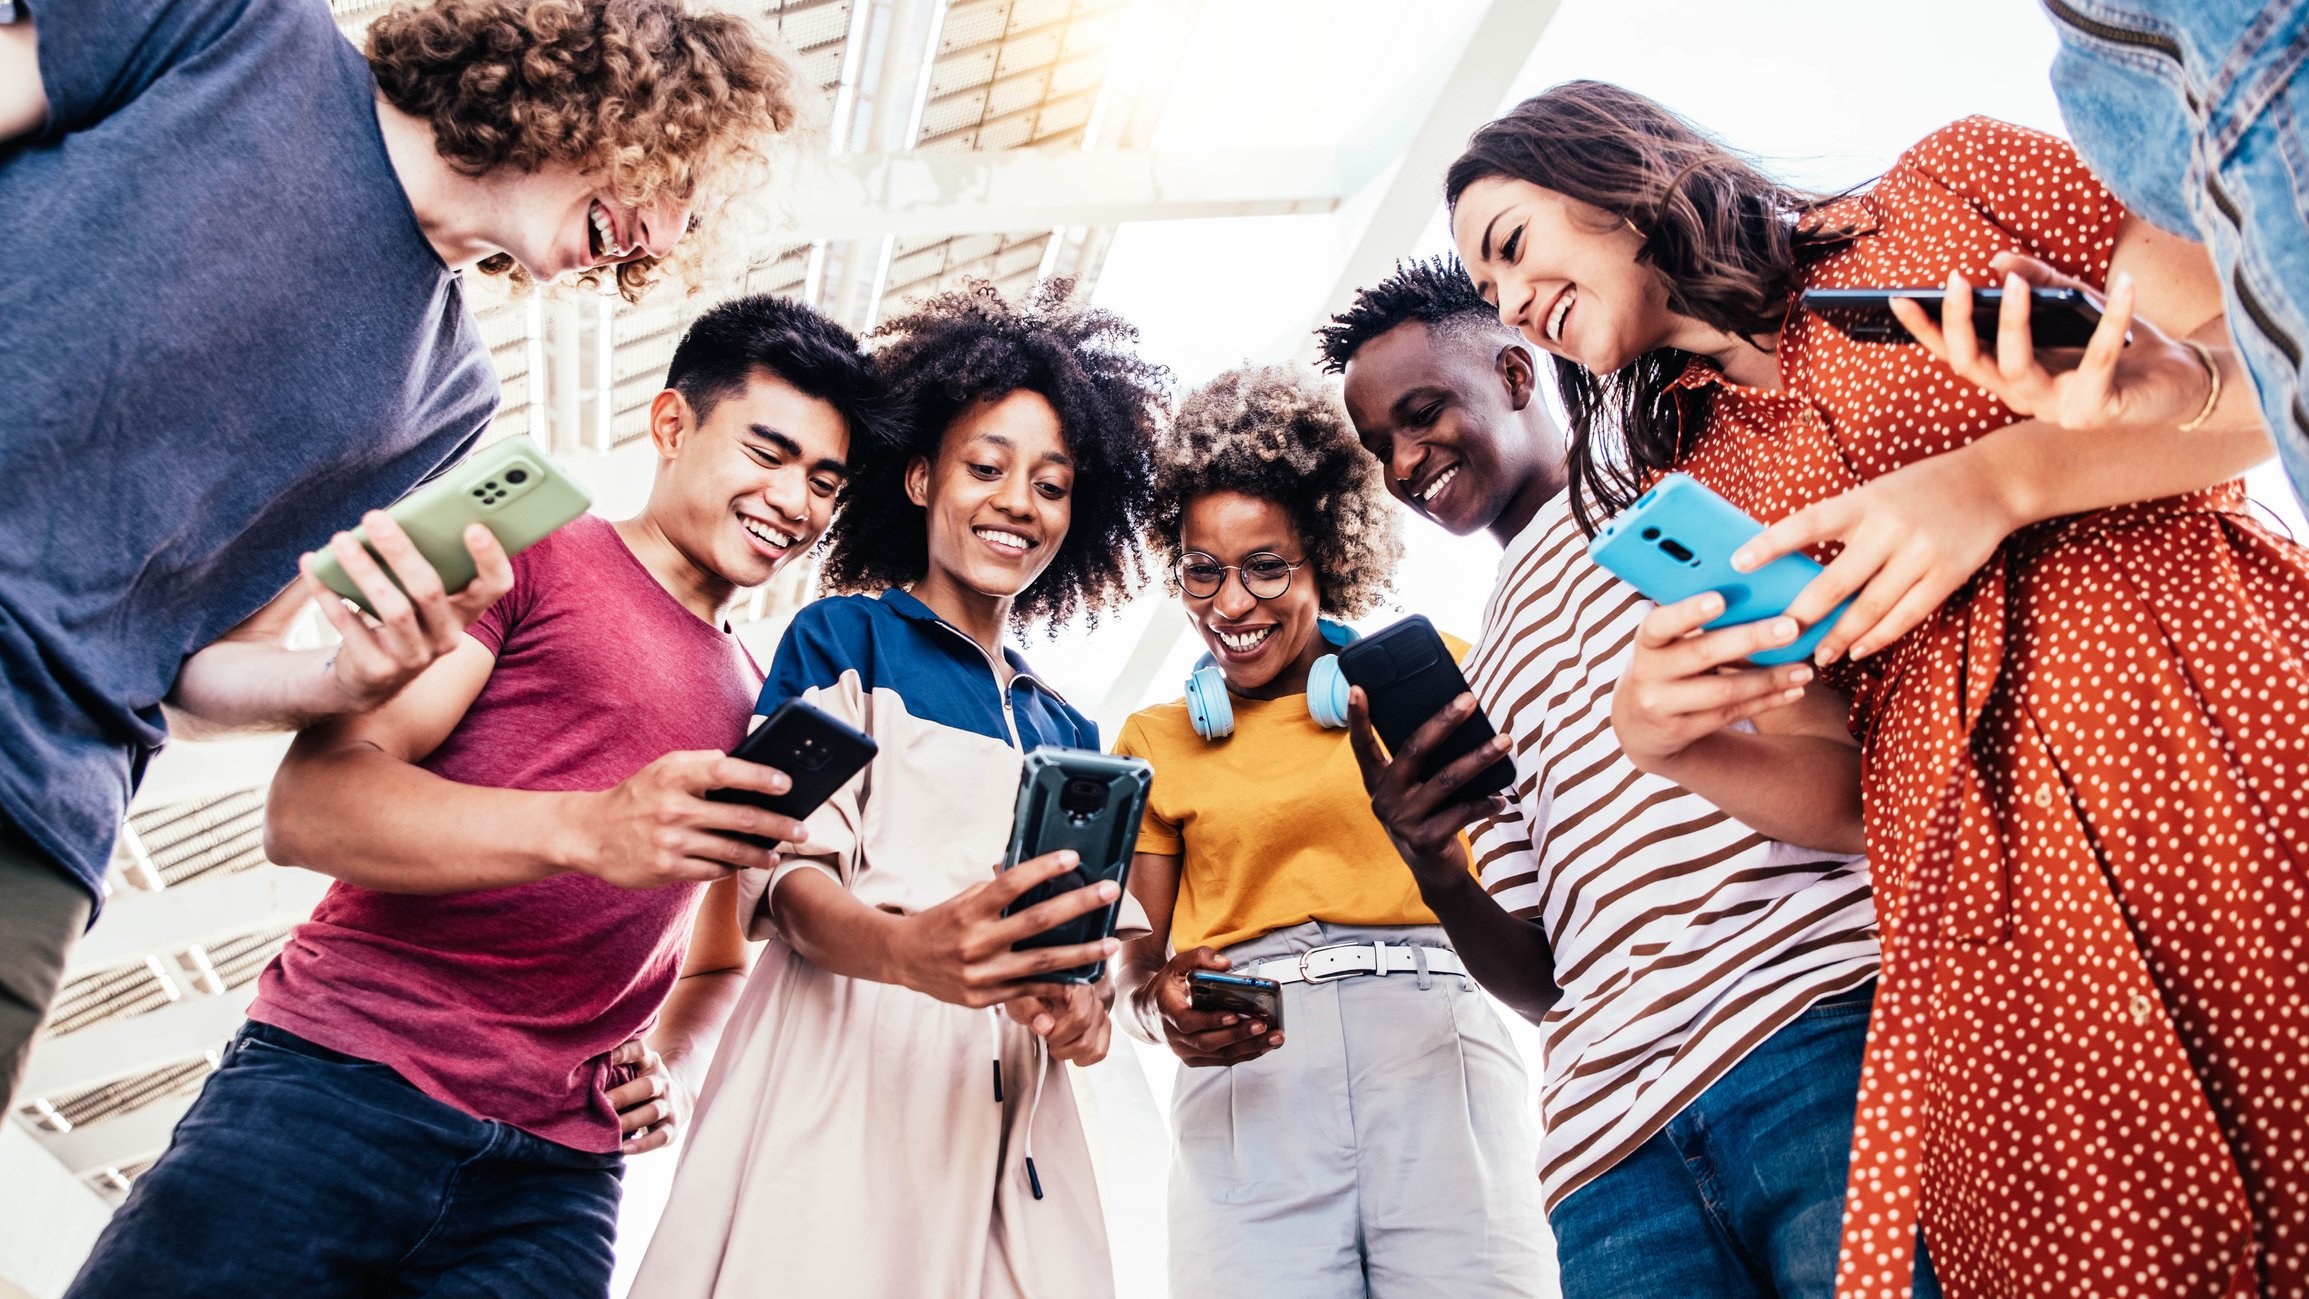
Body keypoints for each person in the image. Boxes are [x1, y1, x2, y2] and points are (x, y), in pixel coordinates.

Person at [1446, 81, 2309, 1296]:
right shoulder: (1685, 482)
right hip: (1978, 903)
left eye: (1509, 248)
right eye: (1487, 298)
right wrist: (1679, 747)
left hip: (2195, 729)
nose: (1512, 304)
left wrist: (1997, 482)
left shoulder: (1947, 187)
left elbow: (2266, 373)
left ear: (1609, 172)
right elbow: (1847, 788)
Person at [0, 0, 798, 1109]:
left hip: (35, 808)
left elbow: (197, 671)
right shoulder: (240, 32)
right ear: (612, 94)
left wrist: (348, 677)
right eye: (676, 186)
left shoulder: (449, 399)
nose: (664, 238)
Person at [62, 294, 884, 1299]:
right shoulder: (528, 557)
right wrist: (587, 827)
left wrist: (665, 1056)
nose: (794, 501)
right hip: (343, 1087)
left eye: (822, 482)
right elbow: (314, 807)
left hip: (555, 1183)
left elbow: (713, 955)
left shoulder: (760, 698)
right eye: (768, 452)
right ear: (672, 425)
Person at [1317, 255, 1894, 1299]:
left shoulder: (1682, 491)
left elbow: (1856, 753)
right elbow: (1541, 979)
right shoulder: (1474, 669)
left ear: (1518, 372)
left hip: (1806, 1036)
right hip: (1605, 1151)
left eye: (1421, 411)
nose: (1403, 462)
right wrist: (1435, 874)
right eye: (1379, 446)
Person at [634, 280, 1170, 1299]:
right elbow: (781, 883)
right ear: (921, 479)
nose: (1018, 502)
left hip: (1010, 1126)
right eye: (986, 467)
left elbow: (1093, 970)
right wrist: (907, 952)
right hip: (844, 1073)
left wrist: (1081, 1017)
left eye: (1052, 485)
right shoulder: (842, 640)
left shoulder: (1073, 735)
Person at [1111, 364, 1550, 1297]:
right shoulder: (1155, 739)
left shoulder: (1442, 685)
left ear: (1327, 554)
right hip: (1251, 1076)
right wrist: (1159, 1007)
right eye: (1202, 569)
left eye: (1266, 565)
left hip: (1439, 1055)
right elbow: (1132, 959)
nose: (1230, 605)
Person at [2036, 0, 2309, 511]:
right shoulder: (2100, 94)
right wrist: (2202, 382)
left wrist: (1998, 480)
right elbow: (2275, 332)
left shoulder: (1935, 190)